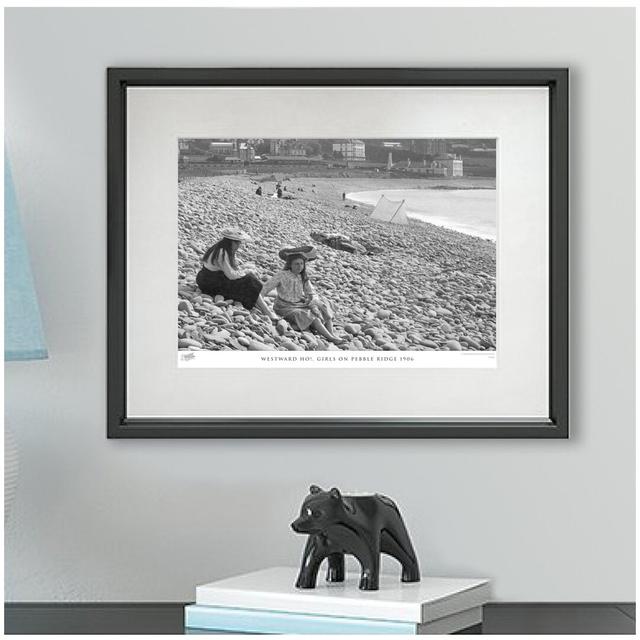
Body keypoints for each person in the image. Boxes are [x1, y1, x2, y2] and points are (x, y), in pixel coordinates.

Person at [262, 247, 343, 345]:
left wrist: (314, 303)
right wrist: (260, 302)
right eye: (296, 264)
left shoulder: (303, 276)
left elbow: (311, 292)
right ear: (290, 265)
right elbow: (265, 288)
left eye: (301, 264)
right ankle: (330, 338)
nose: (299, 266)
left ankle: (331, 333)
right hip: (284, 306)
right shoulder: (281, 275)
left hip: (299, 303)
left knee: (323, 305)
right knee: (310, 316)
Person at [196, 228, 277, 320]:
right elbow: (231, 275)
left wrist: (242, 273)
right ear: (231, 242)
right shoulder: (222, 252)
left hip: (205, 278)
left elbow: (228, 271)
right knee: (250, 281)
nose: (239, 245)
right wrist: (244, 274)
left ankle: (259, 302)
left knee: (249, 279)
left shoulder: (218, 248)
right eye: (237, 242)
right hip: (210, 283)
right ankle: (267, 311)